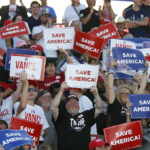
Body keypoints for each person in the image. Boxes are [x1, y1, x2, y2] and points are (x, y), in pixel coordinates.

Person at [51, 82, 103, 150]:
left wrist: (96, 94)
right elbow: (53, 107)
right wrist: (61, 90)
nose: (73, 104)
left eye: (75, 102)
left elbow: (99, 108)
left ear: (79, 106)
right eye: (70, 102)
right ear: (66, 106)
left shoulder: (86, 115)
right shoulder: (61, 116)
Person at [107, 60, 148, 126]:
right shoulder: (115, 102)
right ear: (118, 95)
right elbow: (110, 87)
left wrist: (145, 70)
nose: (125, 95)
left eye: (128, 94)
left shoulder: (134, 102)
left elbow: (142, 87)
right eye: (123, 93)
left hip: (132, 135)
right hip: (117, 134)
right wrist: (111, 67)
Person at [14, 73, 49, 143]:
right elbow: (23, 106)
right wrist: (25, 84)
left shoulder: (39, 109)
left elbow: (45, 130)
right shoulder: (17, 104)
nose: (31, 91)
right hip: (22, 143)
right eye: (28, 89)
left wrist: (38, 133)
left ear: (37, 94)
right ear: (22, 94)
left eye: (33, 89)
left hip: (37, 143)